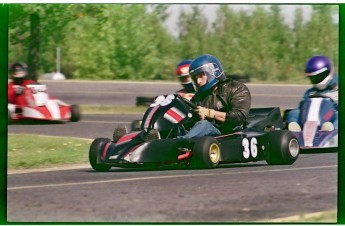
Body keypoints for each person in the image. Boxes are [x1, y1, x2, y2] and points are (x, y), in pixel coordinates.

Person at [176, 54, 252, 139]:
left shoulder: (237, 88)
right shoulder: (199, 96)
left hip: (231, 134)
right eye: (195, 78)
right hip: (209, 137)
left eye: (201, 76)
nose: (198, 81)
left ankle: (182, 142)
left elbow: (239, 117)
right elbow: (189, 119)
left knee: (204, 124)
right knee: (178, 124)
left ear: (213, 72)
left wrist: (209, 113)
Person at [287, 55, 338, 132]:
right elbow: (302, 106)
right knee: (293, 112)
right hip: (310, 119)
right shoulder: (311, 92)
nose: (316, 79)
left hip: (331, 116)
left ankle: (333, 130)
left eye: (318, 76)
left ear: (327, 72)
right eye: (313, 78)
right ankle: (295, 128)